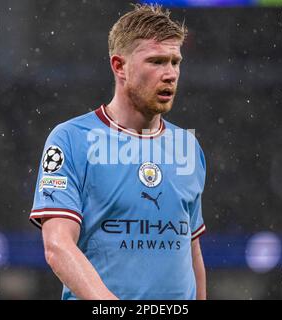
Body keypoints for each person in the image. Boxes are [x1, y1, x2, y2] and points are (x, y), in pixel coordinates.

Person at [30, 4, 207, 300]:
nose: (170, 74)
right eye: (157, 61)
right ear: (119, 66)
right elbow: (58, 246)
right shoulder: (72, 140)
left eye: (175, 62)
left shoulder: (187, 146)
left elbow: (190, 250)